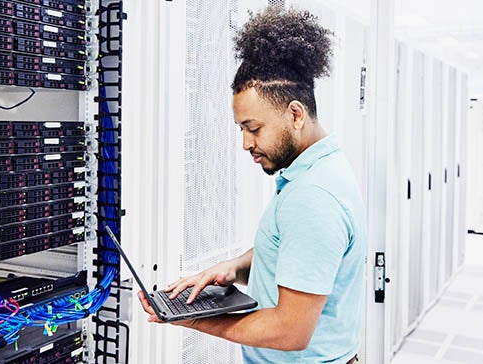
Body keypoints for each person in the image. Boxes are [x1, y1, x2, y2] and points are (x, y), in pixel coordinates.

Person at [138, 6, 366, 363]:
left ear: (294, 114)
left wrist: (195, 319)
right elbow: (297, 254)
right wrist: (235, 267)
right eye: (242, 129)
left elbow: (290, 331)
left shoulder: (313, 197)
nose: (246, 143)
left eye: (253, 128)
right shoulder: (319, 168)